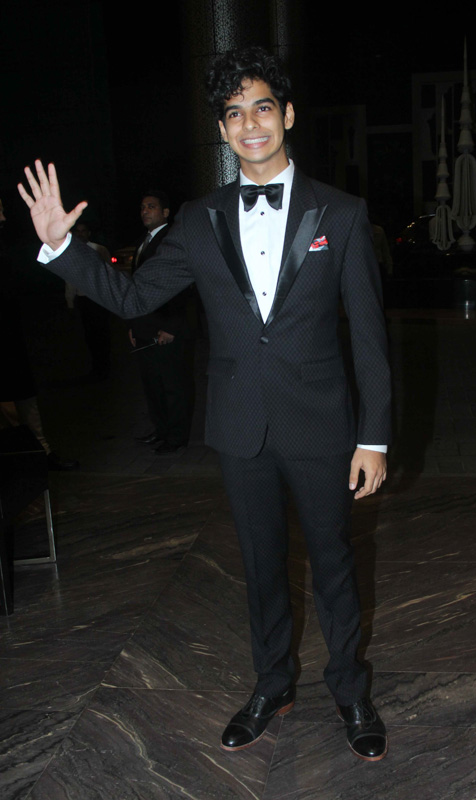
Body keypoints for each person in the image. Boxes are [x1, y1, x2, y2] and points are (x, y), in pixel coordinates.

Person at [18, 46, 391, 761]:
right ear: (222, 130)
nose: (250, 124)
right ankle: (272, 685)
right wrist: (63, 249)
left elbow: (370, 338)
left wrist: (372, 437)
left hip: (321, 426)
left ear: (286, 115)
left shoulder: (340, 214)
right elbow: (133, 296)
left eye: (261, 108)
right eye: (234, 113)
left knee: (335, 565)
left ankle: (351, 690)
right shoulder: (199, 218)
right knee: (260, 567)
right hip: (240, 425)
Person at [0, 198, 78, 470]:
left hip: (13, 338)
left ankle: (39, 455)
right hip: (8, 341)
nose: (4, 213)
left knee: (25, 399)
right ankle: (28, 459)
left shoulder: (7, 244)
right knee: (14, 403)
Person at [129, 192, 194, 454]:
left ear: (166, 212)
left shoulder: (172, 240)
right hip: (145, 328)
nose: (145, 211)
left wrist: (171, 327)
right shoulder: (143, 242)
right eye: (142, 207)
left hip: (166, 329)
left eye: (151, 206)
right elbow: (136, 289)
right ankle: (161, 429)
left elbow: (184, 287)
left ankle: (176, 436)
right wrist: (133, 326)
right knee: (153, 385)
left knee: (173, 386)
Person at [65, 221, 112, 381]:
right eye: (78, 231)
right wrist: (70, 302)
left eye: (83, 231)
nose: (80, 234)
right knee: (90, 335)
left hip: (99, 299)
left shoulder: (99, 249)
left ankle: (105, 367)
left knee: (102, 334)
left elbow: (109, 272)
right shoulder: (71, 252)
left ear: (88, 233)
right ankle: (97, 367)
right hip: (84, 299)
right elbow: (70, 280)